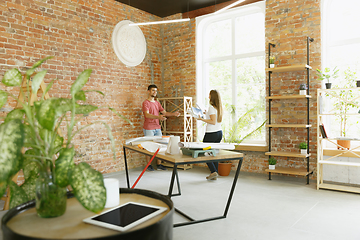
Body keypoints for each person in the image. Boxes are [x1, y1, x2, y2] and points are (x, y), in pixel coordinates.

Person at [142, 84, 180, 171]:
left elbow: (165, 113)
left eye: (156, 91)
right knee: (148, 146)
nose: (155, 92)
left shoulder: (157, 103)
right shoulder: (145, 103)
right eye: (153, 90)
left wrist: (174, 114)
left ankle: (159, 165)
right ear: (148, 91)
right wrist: (158, 117)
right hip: (149, 128)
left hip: (157, 127)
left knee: (160, 145)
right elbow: (147, 115)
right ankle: (148, 165)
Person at [195, 90, 223, 180]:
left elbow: (213, 122)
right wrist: (206, 114)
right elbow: (214, 119)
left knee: (204, 152)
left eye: (209, 95)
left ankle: (213, 171)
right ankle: (214, 173)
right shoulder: (219, 108)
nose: (208, 97)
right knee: (213, 153)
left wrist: (201, 119)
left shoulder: (211, 108)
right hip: (219, 133)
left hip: (211, 134)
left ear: (212, 97)